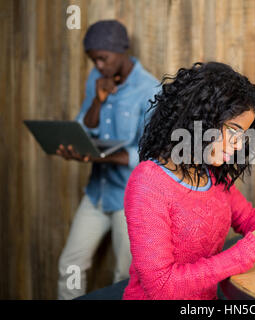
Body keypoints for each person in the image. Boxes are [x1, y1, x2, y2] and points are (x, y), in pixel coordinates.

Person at [122, 61, 255, 300]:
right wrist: (247, 251)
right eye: (233, 130)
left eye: (243, 135)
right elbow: (161, 286)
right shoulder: (148, 183)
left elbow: (247, 218)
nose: (239, 144)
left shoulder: (211, 174)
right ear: (200, 121)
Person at [56, 20, 160, 300]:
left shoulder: (149, 89)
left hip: (129, 198)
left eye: (104, 58)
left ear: (122, 50)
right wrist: (97, 101)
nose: (99, 65)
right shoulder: (96, 78)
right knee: (70, 264)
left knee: (124, 277)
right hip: (97, 192)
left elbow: (152, 154)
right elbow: (85, 126)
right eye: (94, 60)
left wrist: (103, 157)